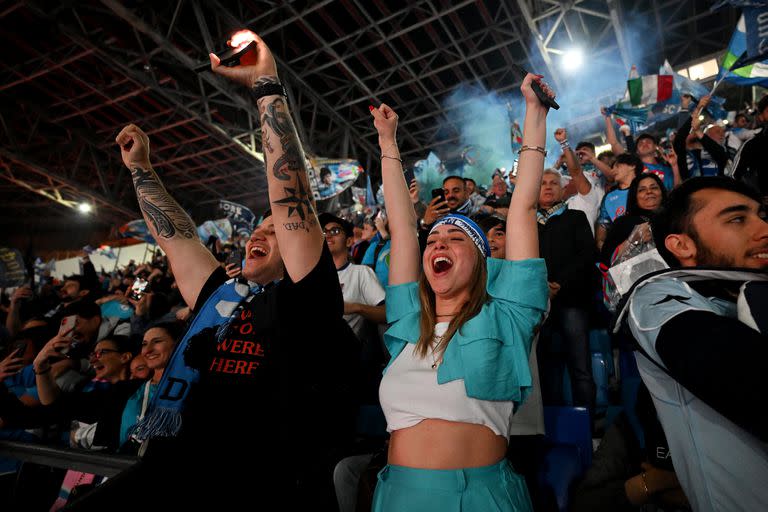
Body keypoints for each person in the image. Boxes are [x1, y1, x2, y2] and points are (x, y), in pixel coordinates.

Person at [66, 32, 357, 510]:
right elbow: (177, 238)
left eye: (275, 231)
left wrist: (266, 87)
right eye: (255, 232)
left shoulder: (307, 299)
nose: (261, 236)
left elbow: (293, 200)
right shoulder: (221, 297)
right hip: (168, 468)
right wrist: (141, 170)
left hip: (248, 484)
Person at [369, 71, 551, 511]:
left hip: (481, 498)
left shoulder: (508, 312)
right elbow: (401, 225)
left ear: (483, 260)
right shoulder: (409, 319)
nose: (438, 243)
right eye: (433, 240)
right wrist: (387, 144)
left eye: (455, 238)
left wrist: (535, 112)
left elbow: (523, 206)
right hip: (395, 495)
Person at [620, 176, 768, 512]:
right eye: (737, 219)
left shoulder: (750, 289)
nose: (762, 228)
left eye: (762, 215)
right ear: (682, 246)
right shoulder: (660, 298)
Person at [536, 169, 597, 414]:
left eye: (553, 183)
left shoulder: (576, 217)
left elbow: (587, 255)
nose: (548, 187)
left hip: (572, 301)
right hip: (540, 304)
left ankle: (588, 430)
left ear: (563, 190)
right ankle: (555, 429)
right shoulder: (528, 223)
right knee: (547, 368)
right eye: (543, 183)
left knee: (580, 368)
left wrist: (559, 283)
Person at [319, 212, 386, 341]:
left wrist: (355, 307)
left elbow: (385, 313)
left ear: (349, 241)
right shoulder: (313, 277)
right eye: (324, 232)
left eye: (335, 231)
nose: (327, 235)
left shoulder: (360, 273)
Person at [599, 173, 667, 267]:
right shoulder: (623, 222)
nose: (649, 191)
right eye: (642, 190)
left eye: (654, 188)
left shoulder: (675, 219)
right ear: (635, 197)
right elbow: (606, 261)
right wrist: (632, 240)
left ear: (662, 192)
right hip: (636, 279)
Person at [596, 154, 644, 250]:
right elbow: (603, 225)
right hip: (623, 253)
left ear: (632, 166)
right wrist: (605, 248)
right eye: (612, 168)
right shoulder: (609, 197)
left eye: (617, 166)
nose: (613, 171)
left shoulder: (646, 188)